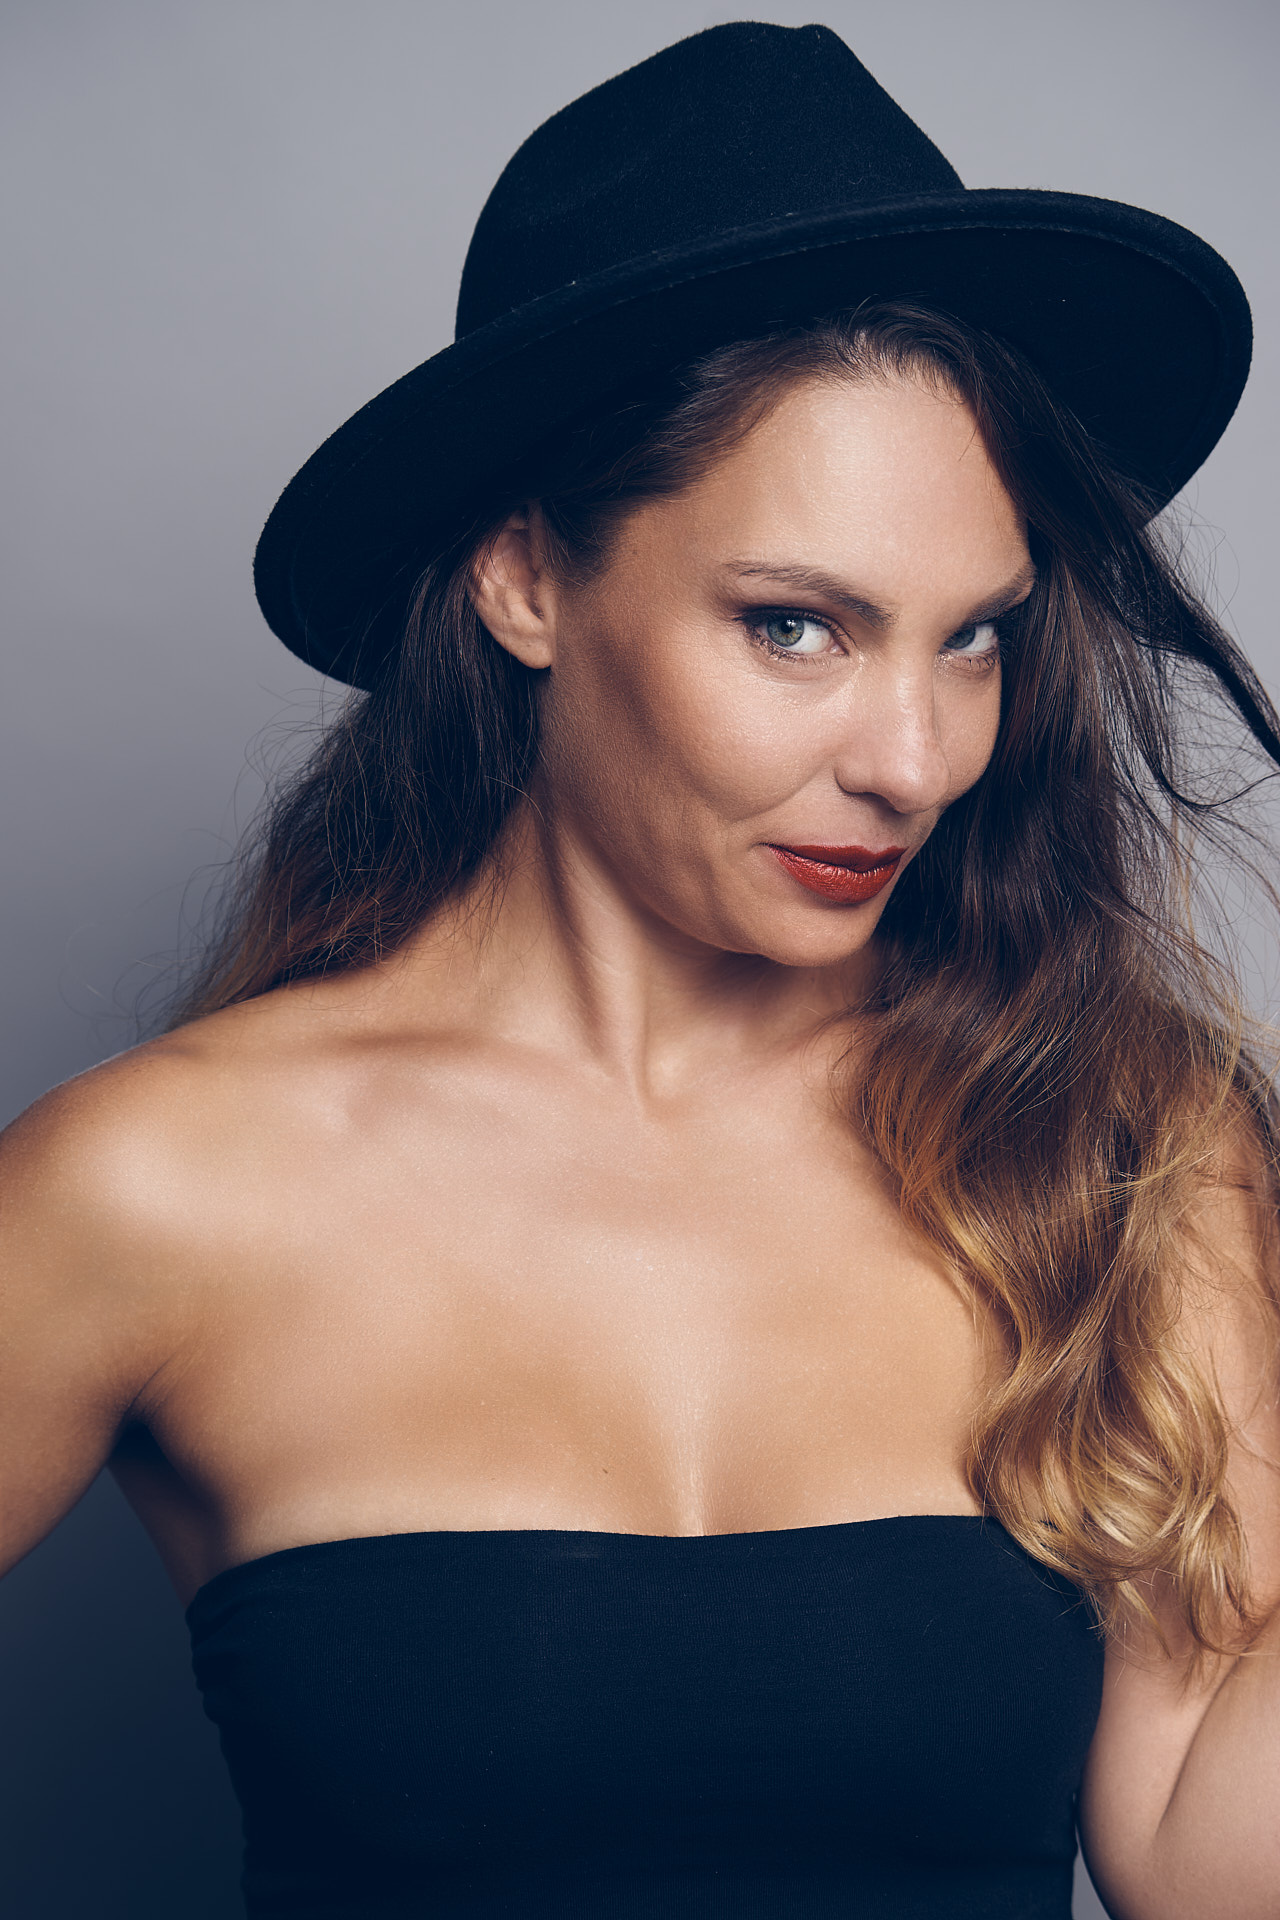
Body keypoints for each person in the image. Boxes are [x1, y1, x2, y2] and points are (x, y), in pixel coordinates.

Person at [2, 19, 1278, 1919]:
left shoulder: (1107, 1136)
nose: (915, 759)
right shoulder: (159, 1185)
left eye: (974, 640)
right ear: (526, 578)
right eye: (796, 627)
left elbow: (1208, 1859)